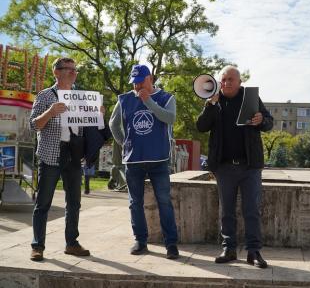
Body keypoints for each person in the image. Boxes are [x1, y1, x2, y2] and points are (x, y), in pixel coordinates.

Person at [196, 65, 273, 268]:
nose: (226, 83)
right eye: (223, 79)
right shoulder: (214, 100)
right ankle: (229, 249)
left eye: (231, 79)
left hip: (250, 166)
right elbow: (201, 126)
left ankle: (254, 252)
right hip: (224, 167)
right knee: (226, 211)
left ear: (239, 82)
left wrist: (261, 120)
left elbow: (269, 122)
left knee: (252, 210)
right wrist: (210, 105)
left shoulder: (250, 97)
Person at [109, 64, 179, 259]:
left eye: (141, 82)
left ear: (151, 78)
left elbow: (170, 118)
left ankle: (171, 243)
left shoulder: (167, 98)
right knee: (134, 203)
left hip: (159, 159)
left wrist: (148, 101)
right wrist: (125, 143)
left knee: (164, 201)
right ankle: (140, 240)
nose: (137, 86)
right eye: (135, 83)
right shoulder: (124, 100)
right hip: (133, 161)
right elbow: (113, 124)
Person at [29, 57, 91, 261]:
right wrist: (51, 111)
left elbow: (86, 127)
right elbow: (34, 125)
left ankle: (71, 244)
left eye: (75, 70)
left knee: (74, 202)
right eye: (69, 69)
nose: (74, 73)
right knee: (43, 203)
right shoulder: (45, 95)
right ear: (57, 72)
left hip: (74, 155)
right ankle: (37, 246)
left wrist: (96, 114)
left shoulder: (80, 97)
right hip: (51, 154)